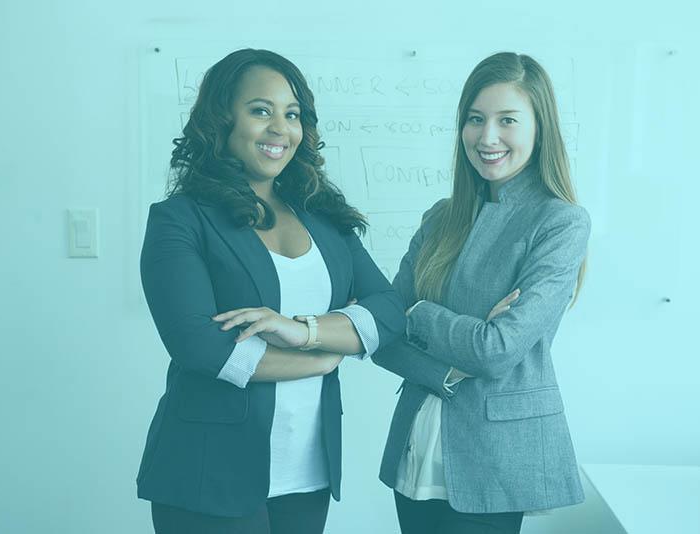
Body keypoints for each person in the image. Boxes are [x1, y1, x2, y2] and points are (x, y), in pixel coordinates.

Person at [136, 48, 405, 534]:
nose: (281, 128)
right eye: (261, 110)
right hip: (209, 473)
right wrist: (322, 359)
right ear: (222, 120)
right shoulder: (180, 219)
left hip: (307, 470)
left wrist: (303, 332)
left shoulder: (323, 216)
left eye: (292, 113)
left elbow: (388, 312)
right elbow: (199, 346)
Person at [372, 51, 590, 534]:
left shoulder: (559, 222)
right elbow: (383, 334)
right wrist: (447, 367)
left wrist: (420, 313)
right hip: (416, 448)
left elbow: (496, 351)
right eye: (475, 119)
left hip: (496, 460)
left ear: (540, 127)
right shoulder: (440, 217)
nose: (487, 137)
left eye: (507, 120)